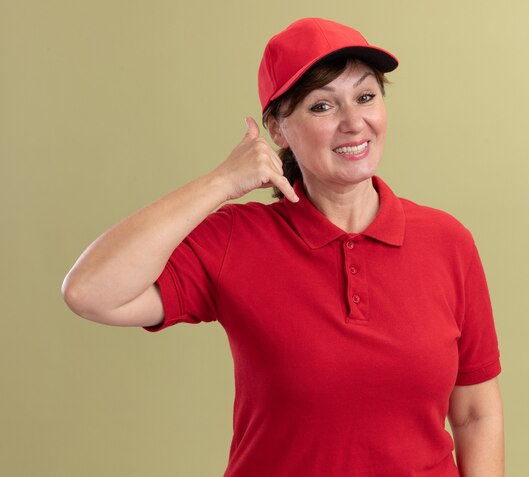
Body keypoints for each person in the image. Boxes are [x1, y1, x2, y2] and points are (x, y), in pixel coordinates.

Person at [62, 17, 504, 477]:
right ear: (277, 129)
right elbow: (90, 291)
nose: (355, 123)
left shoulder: (447, 241)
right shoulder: (237, 239)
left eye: (366, 96)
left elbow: (476, 412)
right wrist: (220, 182)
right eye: (322, 107)